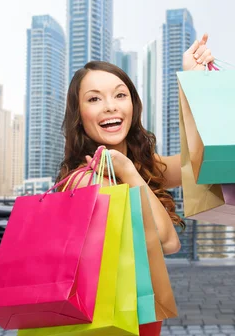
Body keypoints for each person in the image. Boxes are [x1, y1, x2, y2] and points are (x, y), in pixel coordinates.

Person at [59, 33, 216, 255]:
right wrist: (129, 172)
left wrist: (193, 83)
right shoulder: (86, 181)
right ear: (79, 115)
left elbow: (198, 162)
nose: (110, 106)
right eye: (94, 99)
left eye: (120, 95)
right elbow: (167, 242)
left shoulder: (142, 164)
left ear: (133, 106)